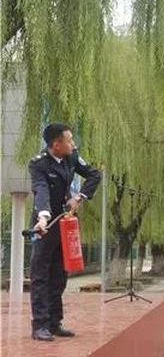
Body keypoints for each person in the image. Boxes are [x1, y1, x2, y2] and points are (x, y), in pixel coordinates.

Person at [29, 123, 102, 341]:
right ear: (56, 144)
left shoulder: (71, 156)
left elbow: (94, 175)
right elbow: (40, 190)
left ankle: (54, 322)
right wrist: (43, 217)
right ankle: (39, 325)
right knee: (40, 275)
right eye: (69, 140)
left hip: (66, 222)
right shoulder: (38, 164)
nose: (73, 144)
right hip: (46, 225)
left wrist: (79, 197)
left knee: (60, 274)